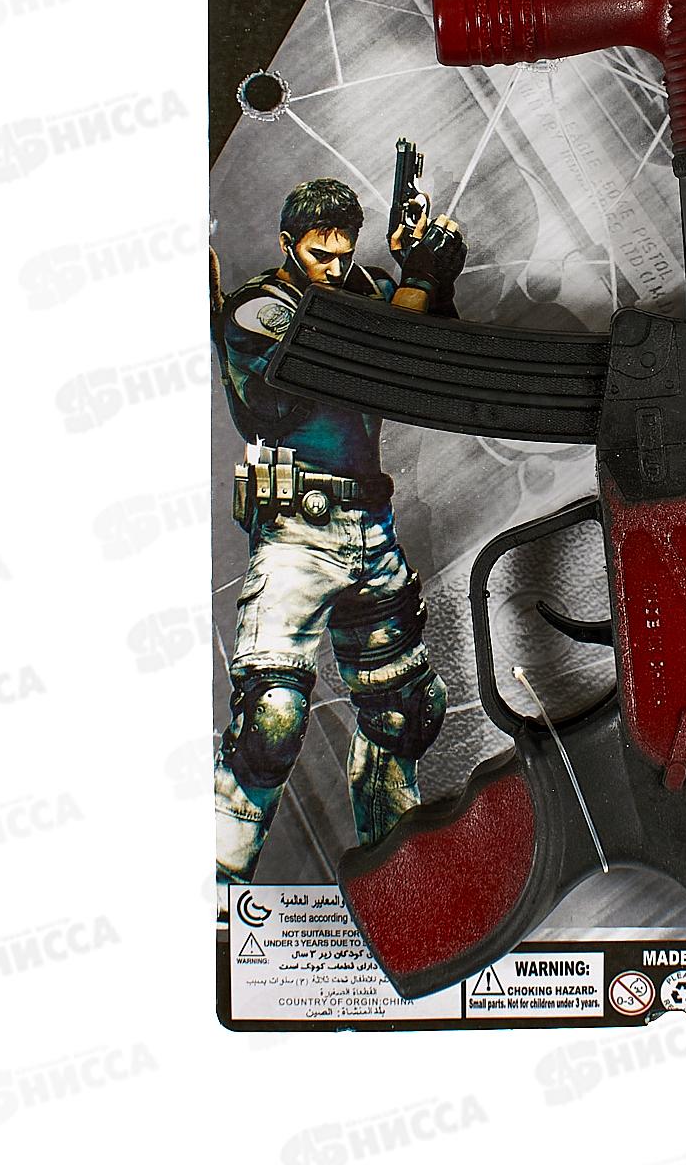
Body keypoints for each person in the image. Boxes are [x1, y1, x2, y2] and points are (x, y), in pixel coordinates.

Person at [212, 175, 465, 887]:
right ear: (288, 245)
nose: (333, 266)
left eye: (344, 252)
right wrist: (414, 284)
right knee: (272, 718)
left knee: (407, 712)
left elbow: (438, 364)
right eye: (319, 254)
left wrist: (433, 279)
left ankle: (396, 886)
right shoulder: (258, 309)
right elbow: (364, 371)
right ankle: (217, 893)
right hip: (297, 533)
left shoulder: (367, 291)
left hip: (369, 525)